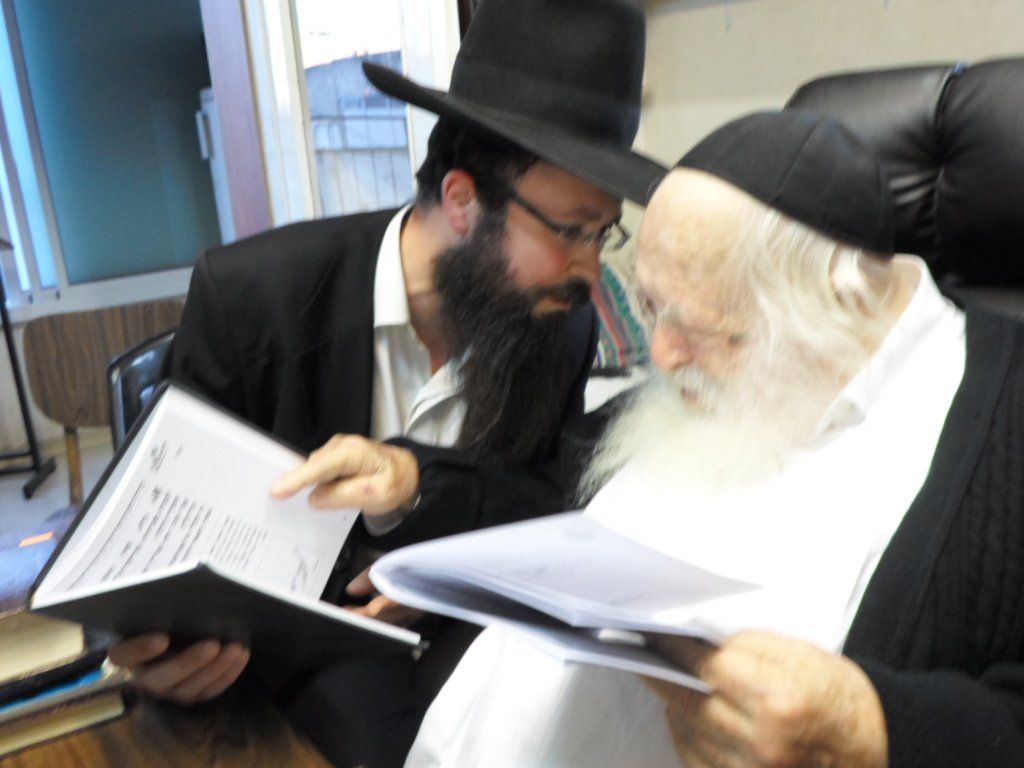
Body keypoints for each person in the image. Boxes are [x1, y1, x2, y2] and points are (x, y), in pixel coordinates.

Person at [108, 0, 664, 765]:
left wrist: (433, 542)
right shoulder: (253, 300)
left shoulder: (557, 323)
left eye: (603, 234)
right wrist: (158, 653)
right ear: (463, 202)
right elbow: (156, 541)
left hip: (471, 648)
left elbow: (543, 501)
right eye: (570, 230)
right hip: (279, 673)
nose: (590, 269)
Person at [404, 110, 1024, 768]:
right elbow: (549, 490)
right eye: (652, 308)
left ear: (838, 307)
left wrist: (872, 729)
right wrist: (414, 480)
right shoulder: (700, 369)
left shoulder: (999, 422)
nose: (663, 357)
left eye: (703, 330)